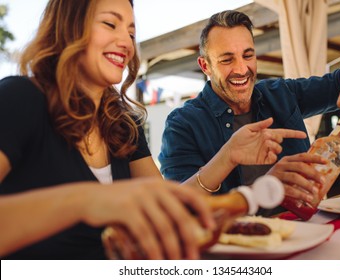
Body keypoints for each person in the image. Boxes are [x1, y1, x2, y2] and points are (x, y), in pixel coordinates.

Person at [0, 0, 216, 260]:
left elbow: (166, 209)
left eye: (131, 33)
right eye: (110, 24)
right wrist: (86, 201)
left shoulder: (124, 123)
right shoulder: (19, 98)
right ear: (69, 26)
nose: (126, 42)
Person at [158, 10, 340, 211]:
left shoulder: (280, 93)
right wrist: (253, 178)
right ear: (205, 66)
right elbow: (181, 206)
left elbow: (338, 80)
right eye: (227, 60)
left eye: (248, 55)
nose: (241, 69)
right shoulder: (183, 123)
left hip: (307, 233)